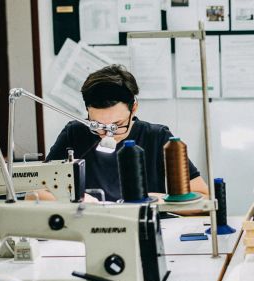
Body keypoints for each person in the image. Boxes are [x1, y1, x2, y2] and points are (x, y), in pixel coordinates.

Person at [43, 64, 208, 202]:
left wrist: (155, 200)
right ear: (87, 110)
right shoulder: (75, 133)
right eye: (98, 125)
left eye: (116, 125)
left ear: (133, 107)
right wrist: (80, 201)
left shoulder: (157, 138)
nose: (107, 134)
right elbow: (35, 193)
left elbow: (203, 197)